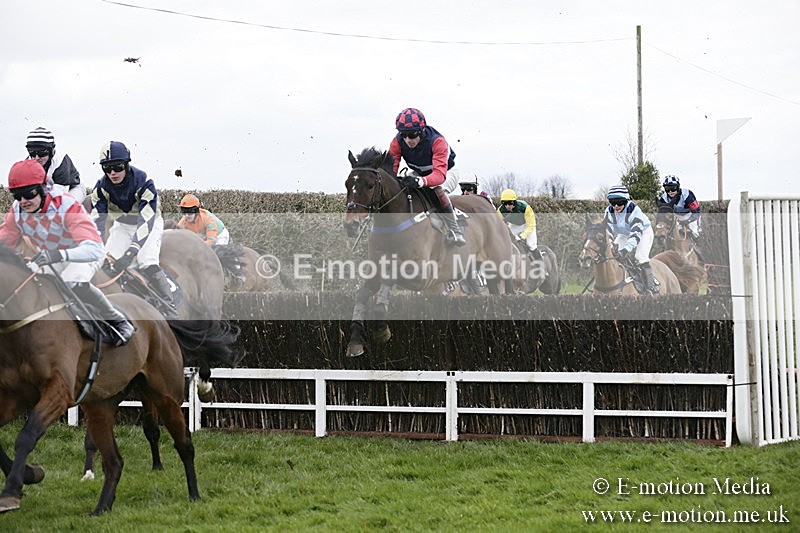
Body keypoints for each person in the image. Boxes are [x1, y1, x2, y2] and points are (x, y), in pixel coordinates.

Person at [0, 160, 134, 345]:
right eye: (17, 196)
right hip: (52, 255)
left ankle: (118, 321)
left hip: (84, 254)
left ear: (43, 188)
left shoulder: (66, 205)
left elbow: (94, 249)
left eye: (28, 194)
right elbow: (4, 240)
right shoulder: (17, 211)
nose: (23, 201)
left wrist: (59, 255)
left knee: (72, 281)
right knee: (27, 279)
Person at [89, 141, 177, 316]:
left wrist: (130, 252)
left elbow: (146, 222)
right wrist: (97, 246)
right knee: (106, 261)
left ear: (127, 164)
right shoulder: (100, 188)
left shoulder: (144, 182)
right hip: (123, 225)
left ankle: (169, 306)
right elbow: (97, 222)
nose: (112, 173)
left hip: (149, 223)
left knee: (146, 261)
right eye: (107, 168)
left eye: (117, 167)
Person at [389, 107, 465, 247]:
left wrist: (420, 181)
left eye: (412, 135)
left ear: (421, 130)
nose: (407, 140)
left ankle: (455, 230)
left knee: (437, 189)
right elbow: (391, 170)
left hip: (446, 172)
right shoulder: (397, 142)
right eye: (403, 135)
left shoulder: (437, 141)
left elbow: (439, 175)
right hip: (420, 173)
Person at [605, 184, 658, 295]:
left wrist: (625, 250)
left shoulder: (634, 211)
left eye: (619, 202)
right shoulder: (609, 211)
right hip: (624, 234)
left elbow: (635, 235)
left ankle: (650, 287)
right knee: (611, 254)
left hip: (643, 232)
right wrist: (610, 244)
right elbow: (607, 231)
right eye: (612, 203)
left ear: (626, 200)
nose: (616, 206)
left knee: (640, 257)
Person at [25, 127, 85, 203]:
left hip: (72, 189)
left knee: (64, 206)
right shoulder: (27, 163)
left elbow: (59, 196)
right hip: (46, 191)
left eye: (42, 152)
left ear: (51, 151)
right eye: (32, 152)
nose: (36, 157)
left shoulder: (60, 160)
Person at [497, 189, 542, 261]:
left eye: (510, 203)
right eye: (504, 203)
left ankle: (543, 268)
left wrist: (523, 236)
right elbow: (498, 225)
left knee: (531, 245)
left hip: (527, 225)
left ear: (514, 202)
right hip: (514, 225)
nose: (507, 206)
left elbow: (531, 225)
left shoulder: (525, 208)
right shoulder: (500, 210)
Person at [657, 175, 701, 240]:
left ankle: (700, 246)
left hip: (691, 216)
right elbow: (662, 215)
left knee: (695, 232)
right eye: (667, 189)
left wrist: (688, 221)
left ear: (678, 187)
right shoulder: (664, 198)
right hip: (676, 218)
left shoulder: (687, 194)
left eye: (673, 188)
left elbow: (696, 212)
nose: (670, 191)